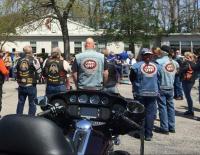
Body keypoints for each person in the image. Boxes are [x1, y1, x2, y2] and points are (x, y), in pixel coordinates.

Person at [129, 48, 161, 141]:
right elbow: (159, 78)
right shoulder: (157, 66)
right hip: (153, 93)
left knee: (140, 113)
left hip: (140, 93)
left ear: (142, 56)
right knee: (150, 114)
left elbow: (132, 79)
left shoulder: (136, 66)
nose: (148, 57)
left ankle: (141, 133)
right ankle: (148, 134)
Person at [155, 45, 179, 134]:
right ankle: (172, 127)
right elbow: (177, 72)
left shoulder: (158, 62)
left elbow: (156, 75)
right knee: (171, 107)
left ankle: (164, 128)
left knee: (162, 107)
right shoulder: (175, 63)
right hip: (170, 87)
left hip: (161, 87)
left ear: (163, 52)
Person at [15, 45, 42, 116]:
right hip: (31, 85)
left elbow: (15, 71)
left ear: (24, 51)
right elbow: (39, 71)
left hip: (21, 85)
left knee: (20, 102)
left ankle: (18, 117)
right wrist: (38, 80)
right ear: (31, 52)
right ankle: (31, 118)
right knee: (32, 103)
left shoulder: (19, 60)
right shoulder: (34, 60)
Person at [179, 52, 200, 116]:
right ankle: (190, 110)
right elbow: (196, 73)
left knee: (188, 96)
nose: (185, 58)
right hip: (191, 80)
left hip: (187, 80)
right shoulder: (194, 64)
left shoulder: (187, 63)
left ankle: (190, 110)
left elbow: (181, 71)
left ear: (189, 57)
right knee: (188, 96)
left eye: (186, 57)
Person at [0, 50, 9, 117]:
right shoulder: (0, 61)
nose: (2, 54)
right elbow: (4, 71)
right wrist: (7, 70)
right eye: (1, 52)